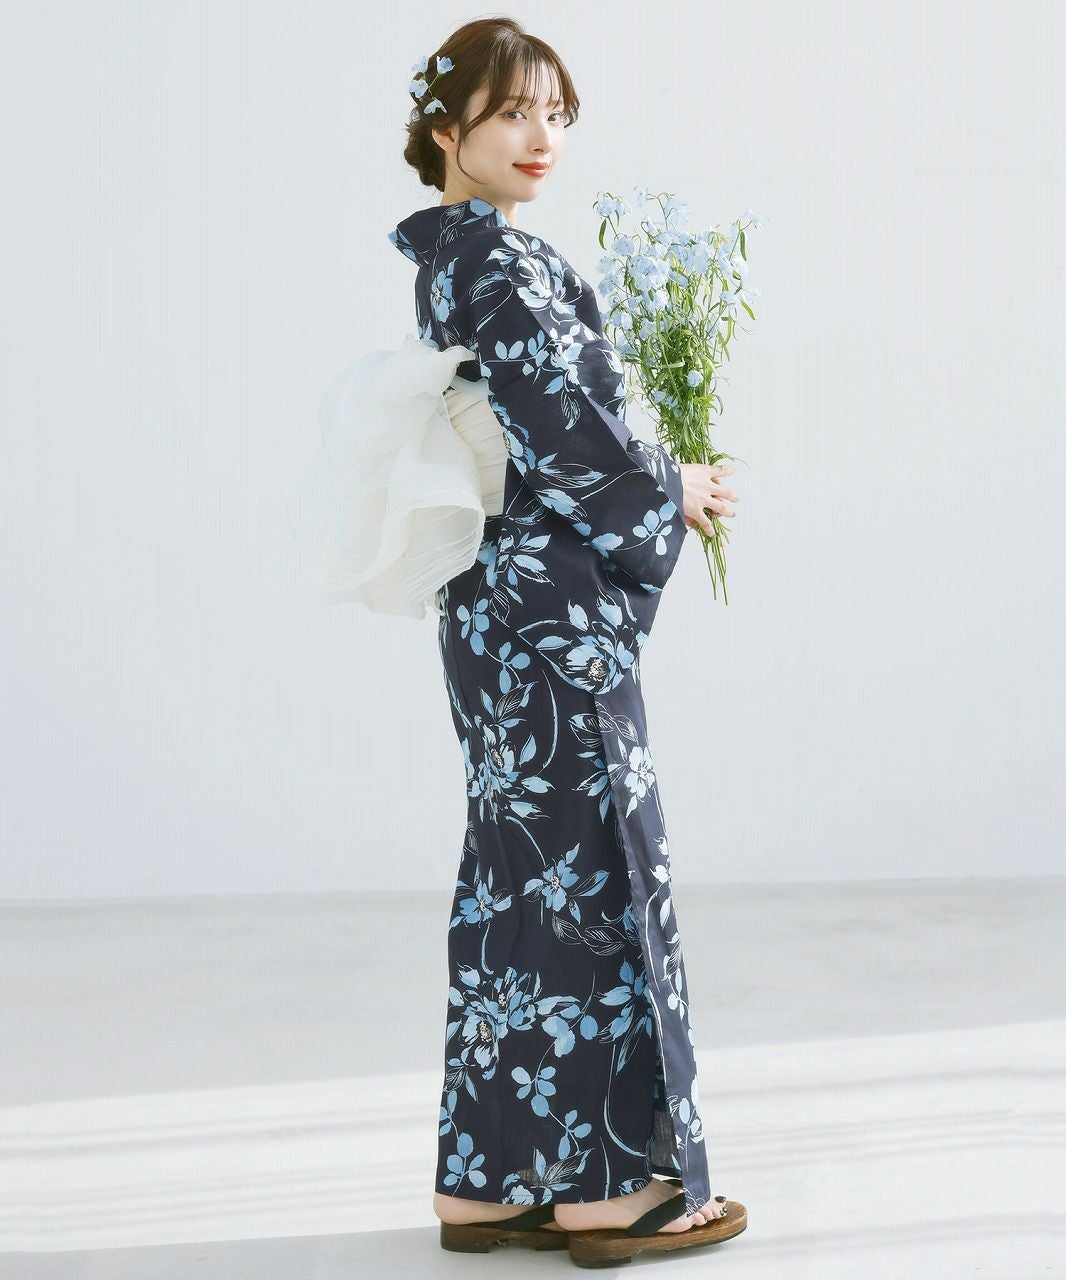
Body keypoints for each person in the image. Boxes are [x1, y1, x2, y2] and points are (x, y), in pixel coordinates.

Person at [390, 17, 744, 1265]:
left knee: (517, 884)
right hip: (551, 620)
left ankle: (487, 1183)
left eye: (556, 114)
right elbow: (562, 432)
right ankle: (603, 1186)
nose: (541, 137)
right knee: (594, 879)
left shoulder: (456, 256)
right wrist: (670, 485)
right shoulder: (497, 260)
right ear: (447, 128)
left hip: (494, 610)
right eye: (511, 113)